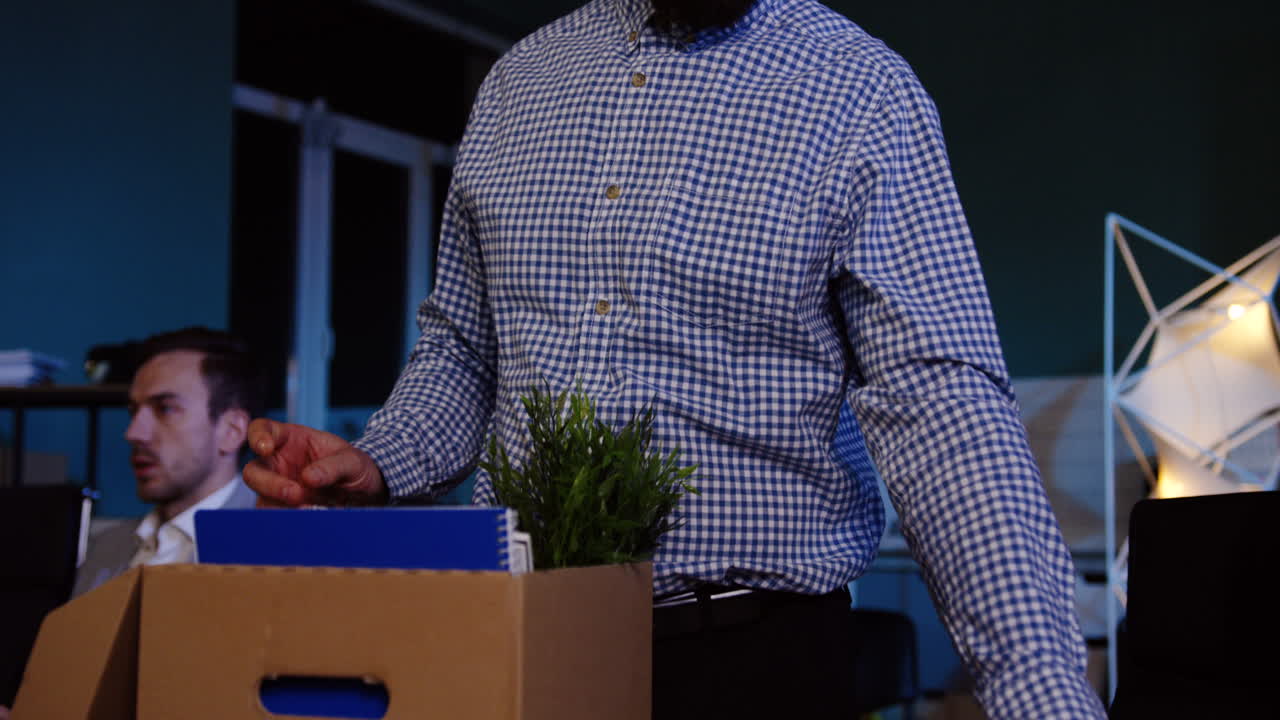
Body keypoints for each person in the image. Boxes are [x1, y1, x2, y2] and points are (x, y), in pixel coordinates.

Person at [246, 0, 1106, 717]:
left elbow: (941, 405)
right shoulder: (521, 81)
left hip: (752, 661)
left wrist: (1041, 694)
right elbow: (464, 349)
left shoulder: (858, 89)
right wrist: (381, 461)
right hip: (519, 642)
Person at [72, 327, 263, 596]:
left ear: (232, 431)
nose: (134, 433)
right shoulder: (107, 547)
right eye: (133, 411)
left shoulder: (273, 545)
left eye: (166, 409)